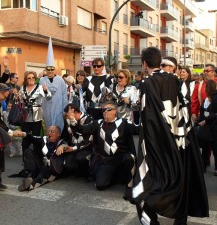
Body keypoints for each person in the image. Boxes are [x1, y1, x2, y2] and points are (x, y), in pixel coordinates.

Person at [126, 47, 209, 225]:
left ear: (144, 64)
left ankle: (151, 221)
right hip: (180, 139)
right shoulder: (175, 80)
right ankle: (180, 221)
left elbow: (147, 116)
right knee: (180, 180)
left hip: (158, 143)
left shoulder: (147, 84)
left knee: (142, 188)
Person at [66, 101, 137, 192]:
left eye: (108, 109)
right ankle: (114, 176)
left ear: (115, 111)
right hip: (106, 160)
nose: (105, 112)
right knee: (100, 185)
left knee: (129, 158)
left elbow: (138, 130)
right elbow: (81, 130)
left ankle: (129, 185)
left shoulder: (124, 122)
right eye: (103, 110)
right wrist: (72, 119)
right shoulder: (97, 123)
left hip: (121, 157)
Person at [8, 71, 51, 178]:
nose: (31, 79)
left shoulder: (40, 87)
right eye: (29, 78)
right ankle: (26, 162)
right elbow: (18, 102)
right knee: (25, 139)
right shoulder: (23, 88)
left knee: (36, 139)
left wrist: (46, 90)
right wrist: (16, 96)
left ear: (35, 78)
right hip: (25, 116)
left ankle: (37, 160)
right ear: (26, 79)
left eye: (33, 77)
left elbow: (49, 97)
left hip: (37, 115)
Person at [16, 126, 67, 191]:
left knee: (42, 177)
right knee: (28, 151)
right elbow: (32, 137)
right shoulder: (44, 139)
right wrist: (22, 134)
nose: (49, 133)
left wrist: (62, 146)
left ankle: (29, 186)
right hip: (42, 165)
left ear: (58, 134)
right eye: (48, 131)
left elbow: (67, 146)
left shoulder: (61, 142)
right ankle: (30, 176)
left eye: (52, 132)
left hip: (52, 169)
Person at [39, 37, 68, 131]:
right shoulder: (42, 80)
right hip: (46, 109)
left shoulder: (60, 80)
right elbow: (41, 96)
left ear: (54, 69)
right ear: (45, 70)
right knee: (48, 130)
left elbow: (64, 96)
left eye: (52, 69)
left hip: (59, 109)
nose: (50, 71)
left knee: (58, 129)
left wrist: (65, 110)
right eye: (48, 69)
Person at [61, 103, 93, 178]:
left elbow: (89, 140)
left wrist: (73, 148)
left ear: (75, 112)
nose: (67, 118)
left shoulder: (88, 119)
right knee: (68, 166)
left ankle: (87, 172)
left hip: (85, 147)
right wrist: (64, 145)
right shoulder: (67, 120)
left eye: (68, 115)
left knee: (81, 159)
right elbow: (64, 136)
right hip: (72, 146)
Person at [196, 80, 217, 174]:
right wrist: (199, 120)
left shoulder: (215, 98)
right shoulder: (205, 100)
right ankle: (203, 166)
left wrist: (206, 120)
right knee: (205, 148)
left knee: (215, 149)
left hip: (214, 128)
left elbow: (215, 114)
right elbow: (202, 113)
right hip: (206, 128)